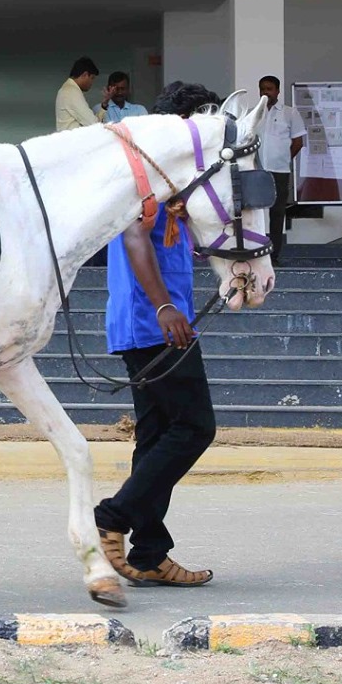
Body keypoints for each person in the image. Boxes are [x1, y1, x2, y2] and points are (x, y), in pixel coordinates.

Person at [94, 79, 222, 590]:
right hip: (156, 324)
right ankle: (112, 514)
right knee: (195, 428)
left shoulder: (170, 176)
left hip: (151, 321)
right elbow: (133, 236)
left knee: (154, 437)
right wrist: (166, 306)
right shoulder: (150, 176)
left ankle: (149, 553)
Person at [254, 75, 306, 261]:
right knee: (256, 213)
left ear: (277, 91)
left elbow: (298, 142)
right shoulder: (256, 113)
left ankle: (274, 255)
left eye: (269, 89)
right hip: (258, 172)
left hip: (280, 171)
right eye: (262, 89)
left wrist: (284, 159)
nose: (265, 92)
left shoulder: (289, 113)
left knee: (277, 213)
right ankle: (256, 252)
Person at [54, 56, 102, 131]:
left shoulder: (67, 89)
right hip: (72, 141)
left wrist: (104, 106)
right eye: (92, 78)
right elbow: (93, 124)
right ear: (85, 75)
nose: (92, 83)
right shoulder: (71, 92)